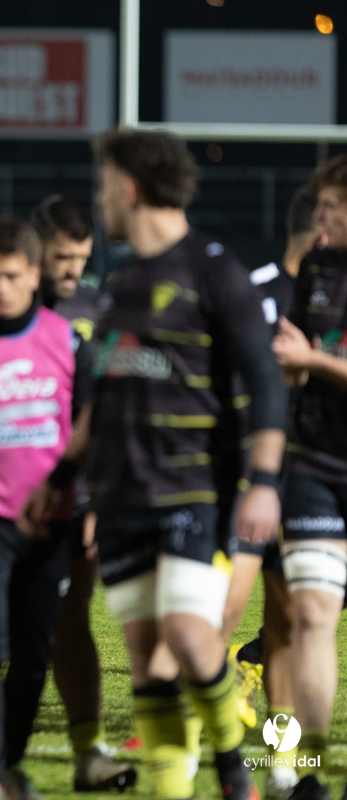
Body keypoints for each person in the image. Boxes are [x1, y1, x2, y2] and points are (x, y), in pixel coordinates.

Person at [65, 130, 286, 800]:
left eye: (104, 183)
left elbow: (266, 383)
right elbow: (101, 396)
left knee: (191, 639)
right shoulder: (122, 280)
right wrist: (60, 481)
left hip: (194, 491)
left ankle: (230, 770)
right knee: (146, 667)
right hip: (122, 496)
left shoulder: (216, 270)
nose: (99, 197)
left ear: (130, 187)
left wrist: (265, 484)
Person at [0, 197, 135, 794]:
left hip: (69, 506)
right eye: (64, 258)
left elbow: (95, 417)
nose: (74, 271)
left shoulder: (90, 313)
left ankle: (85, 748)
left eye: (82, 259)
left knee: (64, 628)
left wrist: (94, 500)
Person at [218, 187, 321, 800]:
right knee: (222, 613)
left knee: (290, 622)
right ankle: (190, 735)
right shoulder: (254, 291)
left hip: (314, 481)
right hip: (247, 478)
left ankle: (277, 765)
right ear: (321, 229)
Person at [270, 156, 347, 800]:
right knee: (310, 613)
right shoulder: (315, 270)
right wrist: (290, 368)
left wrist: (312, 362)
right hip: (314, 465)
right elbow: (295, 360)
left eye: (331, 208)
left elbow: (313, 358)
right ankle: (308, 774)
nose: (318, 219)